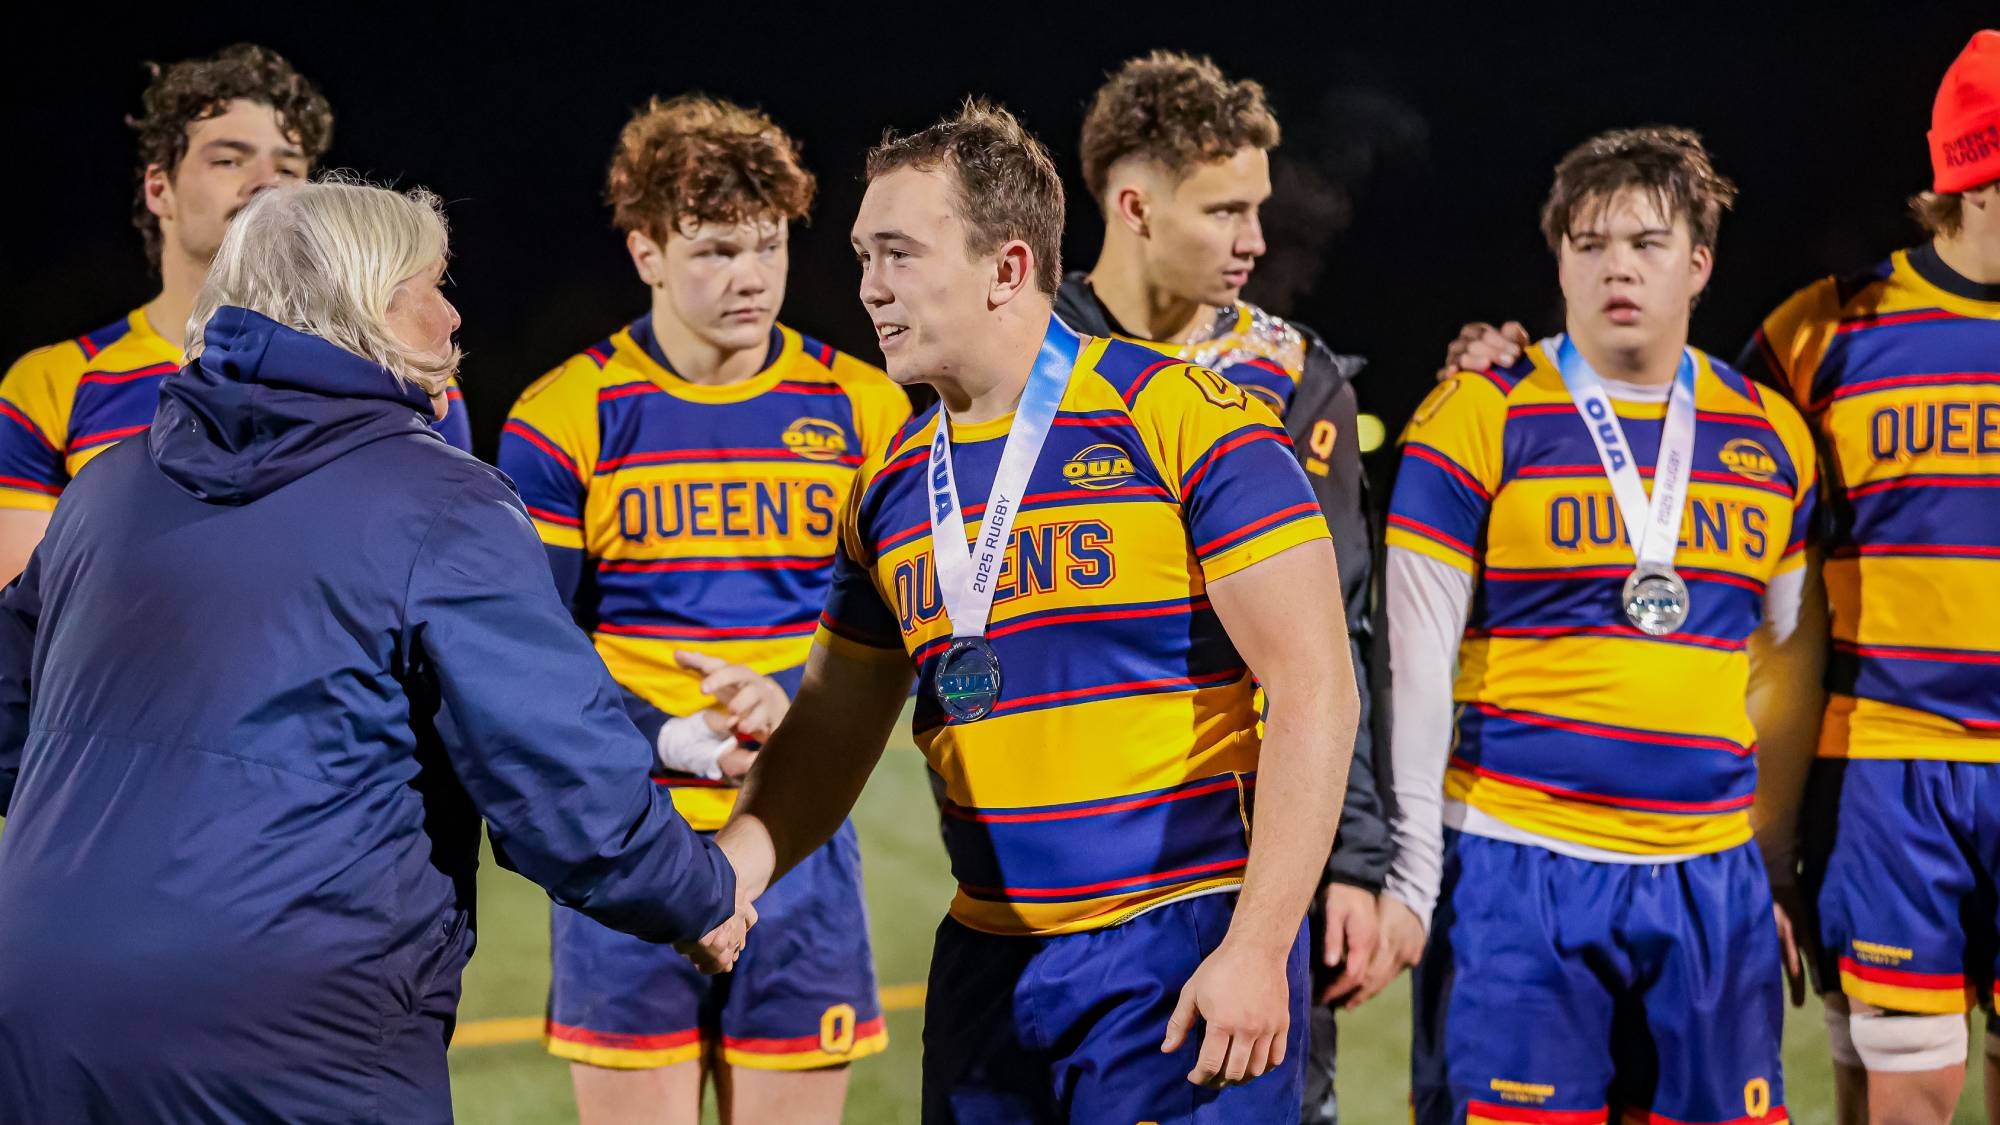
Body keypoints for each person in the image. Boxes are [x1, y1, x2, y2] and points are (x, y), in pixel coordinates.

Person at [0, 178, 746, 1124]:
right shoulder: (441, 504)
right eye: (428, 286)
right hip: (296, 1028)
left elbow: (8, 726)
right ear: (363, 306)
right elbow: (558, 778)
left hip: (40, 1007)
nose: (453, 313)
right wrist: (695, 890)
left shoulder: (104, 492)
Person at [710, 99, 1359, 1124]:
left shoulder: (1182, 419)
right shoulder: (883, 482)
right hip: (984, 959)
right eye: (861, 256)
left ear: (1007, 268)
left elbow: (1314, 682)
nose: (868, 287)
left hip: (1175, 946)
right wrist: (735, 870)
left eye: (899, 255)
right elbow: (834, 721)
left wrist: (1257, 942)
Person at [1438, 35, 2000, 1124]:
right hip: (1885, 763)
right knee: (1911, 1078)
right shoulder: (1824, 331)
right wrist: (1503, 368)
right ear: (1973, 172)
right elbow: (1687, 457)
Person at [1377, 127, 1823, 1124]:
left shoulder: (1770, 433)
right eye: (1588, 243)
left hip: (1707, 873)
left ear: (1698, 263)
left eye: (1646, 242)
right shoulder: (1474, 414)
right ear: (1558, 261)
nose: (1616, 264)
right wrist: (1410, 876)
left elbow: (1781, 671)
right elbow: (1410, 662)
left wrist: (1770, 865)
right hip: (1514, 860)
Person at [499, 94, 908, 1124]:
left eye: (768, 245)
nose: (752, 276)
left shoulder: (865, 406)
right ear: (644, 250)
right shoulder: (562, 417)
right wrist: (673, 738)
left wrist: (795, 705)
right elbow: (535, 657)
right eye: (716, 249)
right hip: (630, 846)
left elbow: (915, 626)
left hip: (798, 835)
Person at [1048, 52, 1388, 1123]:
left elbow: (1340, 638)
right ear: (1133, 204)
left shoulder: (1290, 375)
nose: (1254, 240)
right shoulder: (1021, 358)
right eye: (1225, 210)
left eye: (1260, 209)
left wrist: (1354, 863)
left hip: (1246, 861)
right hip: (1053, 854)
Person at [0, 44, 471, 586]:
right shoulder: (55, 380)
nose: (267, 183)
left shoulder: (403, 374)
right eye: (228, 159)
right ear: (159, 188)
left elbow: (433, 570)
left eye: (290, 167)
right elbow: (34, 608)